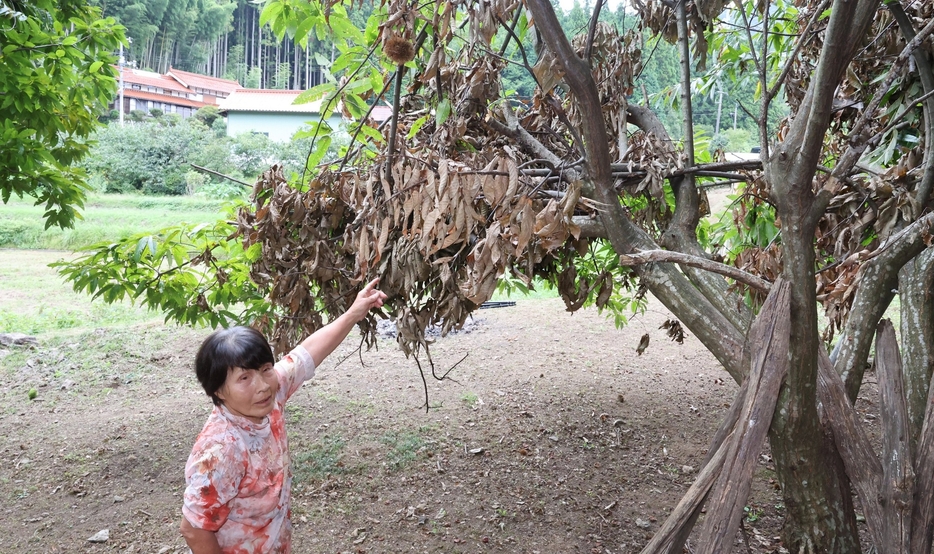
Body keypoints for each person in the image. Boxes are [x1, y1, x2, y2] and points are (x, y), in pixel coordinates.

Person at [180, 278, 387, 554]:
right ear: (218, 390)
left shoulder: (270, 393)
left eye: (265, 369)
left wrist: (353, 313)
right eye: (244, 378)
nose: (262, 385)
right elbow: (194, 529)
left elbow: (306, 354)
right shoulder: (220, 450)